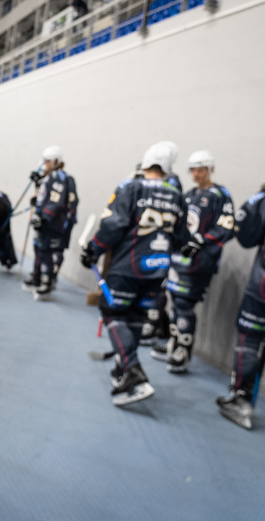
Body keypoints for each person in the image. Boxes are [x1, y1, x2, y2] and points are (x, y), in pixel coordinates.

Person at [80, 143, 189, 406]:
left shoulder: (132, 188)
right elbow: (183, 238)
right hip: (158, 269)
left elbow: (113, 224)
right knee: (137, 317)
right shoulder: (176, 195)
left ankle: (132, 370)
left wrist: (93, 249)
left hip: (128, 267)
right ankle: (122, 367)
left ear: (146, 163)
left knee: (113, 313)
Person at [150, 151, 235, 373]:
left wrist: (202, 240)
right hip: (179, 260)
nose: (196, 174)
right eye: (193, 170)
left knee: (184, 305)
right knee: (174, 301)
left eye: (201, 170)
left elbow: (227, 226)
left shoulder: (220, 194)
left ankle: (184, 352)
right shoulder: (188, 195)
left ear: (211, 169)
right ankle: (173, 343)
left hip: (200, 262)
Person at [215, 187, 265, 429]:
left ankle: (241, 400)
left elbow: (245, 236)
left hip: (261, 292)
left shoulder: (261, 201)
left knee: (249, 340)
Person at [138, 140, 182, 345]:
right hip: (144, 241)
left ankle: (154, 324)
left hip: (161, 244)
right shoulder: (142, 180)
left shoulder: (173, 184)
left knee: (157, 287)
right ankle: (154, 323)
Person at [23, 146, 78, 301]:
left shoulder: (59, 177)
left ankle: (46, 282)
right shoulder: (50, 176)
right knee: (39, 247)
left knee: (49, 251)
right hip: (49, 221)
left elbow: (56, 200)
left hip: (55, 223)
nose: (43, 164)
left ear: (55, 161)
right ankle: (38, 276)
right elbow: (45, 196)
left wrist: (43, 217)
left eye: (47, 161)